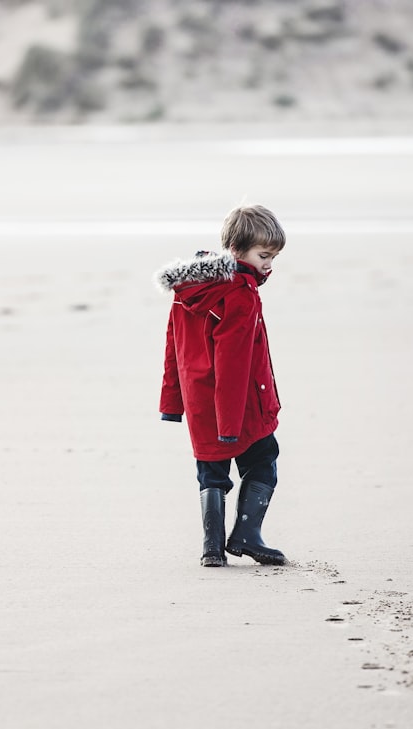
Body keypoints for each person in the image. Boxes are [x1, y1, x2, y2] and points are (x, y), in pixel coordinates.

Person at [155, 204, 288, 567]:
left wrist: (172, 402)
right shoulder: (240, 293)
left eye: (273, 257)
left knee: (211, 471)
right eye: (263, 255)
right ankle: (246, 535)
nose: (269, 265)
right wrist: (230, 425)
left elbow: (174, 348)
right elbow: (232, 363)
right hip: (239, 405)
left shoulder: (188, 288)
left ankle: (212, 548)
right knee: (263, 460)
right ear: (236, 250)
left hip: (201, 404)